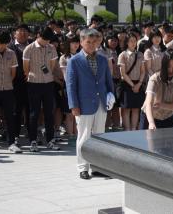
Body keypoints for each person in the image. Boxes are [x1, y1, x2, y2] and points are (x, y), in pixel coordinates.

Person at [66, 28, 114, 179]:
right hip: (83, 104)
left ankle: (97, 166)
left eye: (94, 42)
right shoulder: (74, 61)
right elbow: (71, 85)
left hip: (101, 102)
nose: (92, 45)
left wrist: (111, 95)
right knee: (84, 137)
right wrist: (74, 105)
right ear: (81, 42)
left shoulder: (102, 59)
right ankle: (83, 167)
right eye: (88, 42)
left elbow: (108, 80)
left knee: (100, 136)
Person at [23, 26, 60, 152]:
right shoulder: (29, 48)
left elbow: (52, 65)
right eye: (45, 40)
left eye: (48, 40)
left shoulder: (51, 48)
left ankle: (50, 140)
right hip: (33, 83)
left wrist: (46, 74)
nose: (47, 42)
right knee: (34, 113)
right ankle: (33, 140)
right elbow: (26, 68)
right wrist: (34, 75)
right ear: (38, 36)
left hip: (48, 83)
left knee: (49, 113)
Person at [140, 49, 173, 129]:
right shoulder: (155, 79)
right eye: (169, 67)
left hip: (168, 118)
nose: (171, 70)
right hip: (150, 117)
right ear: (164, 65)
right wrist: (151, 123)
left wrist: (161, 105)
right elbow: (149, 103)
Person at [118, 33, 145, 131]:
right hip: (127, 84)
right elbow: (123, 73)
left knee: (136, 108)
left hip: (138, 83)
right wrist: (133, 85)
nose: (133, 43)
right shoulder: (123, 55)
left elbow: (143, 71)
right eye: (131, 41)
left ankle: (134, 129)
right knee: (126, 109)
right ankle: (127, 130)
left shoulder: (140, 54)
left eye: (135, 41)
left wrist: (139, 84)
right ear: (127, 43)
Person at [8, 24, 30, 145]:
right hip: (14, 84)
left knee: (31, 110)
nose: (22, 33)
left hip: (31, 83)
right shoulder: (9, 47)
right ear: (15, 33)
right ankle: (15, 135)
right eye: (20, 31)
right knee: (15, 110)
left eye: (25, 31)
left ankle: (32, 136)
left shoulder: (32, 46)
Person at [59, 36, 80, 137]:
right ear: (68, 44)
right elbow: (65, 76)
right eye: (73, 43)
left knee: (78, 114)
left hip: (81, 88)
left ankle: (77, 134)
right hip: (69, 88)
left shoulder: (82, 56)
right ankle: (71, 135)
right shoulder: (64, 58)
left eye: (77, 42)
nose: (76, 45)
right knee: (69, 113)